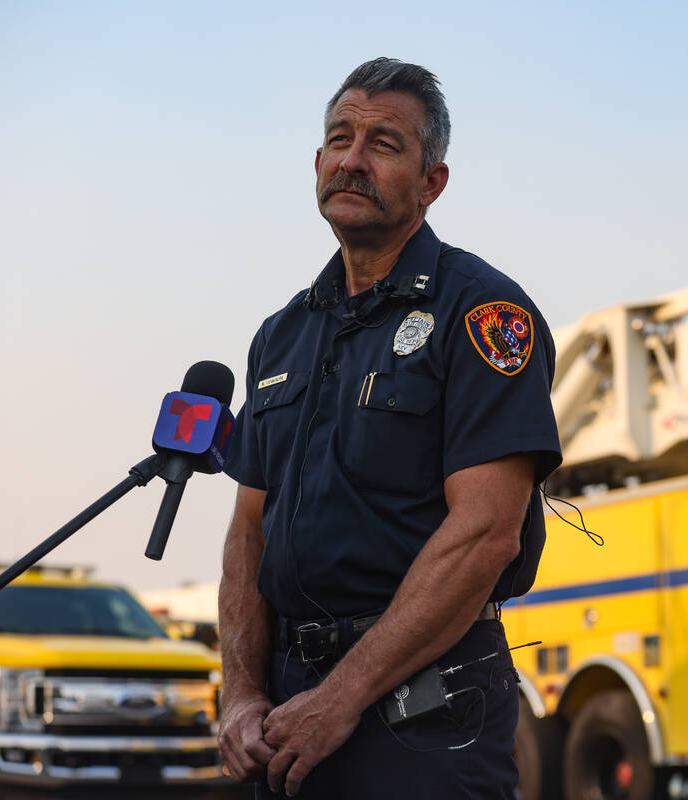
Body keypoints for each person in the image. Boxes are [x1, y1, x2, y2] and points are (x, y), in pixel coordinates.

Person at [216, 58, 561, 799]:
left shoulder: (483, 315)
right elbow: (250, 532)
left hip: (426, 714)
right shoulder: (280, 336)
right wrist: (242, 692)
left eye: (384, 143)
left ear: (431, 182)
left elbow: (485, 535)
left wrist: (341, 699)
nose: (352, 159)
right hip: (287, 711)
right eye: (339, 139)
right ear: (316, 164)